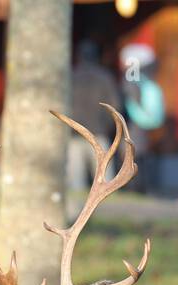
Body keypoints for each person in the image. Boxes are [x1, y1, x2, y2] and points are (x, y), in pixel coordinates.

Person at [68, 41, 123, 194]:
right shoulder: (105, 78)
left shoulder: (71, 77)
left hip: (75, 132)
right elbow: (116, 106)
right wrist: (107, 126)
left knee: (75, 183)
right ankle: (109, 211)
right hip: (98, 132)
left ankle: (80, 214)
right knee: (105, 182)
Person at [119, 43, 165, 193]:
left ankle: (134, 189)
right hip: (144, 131)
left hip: (134, 130)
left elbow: (129, 107)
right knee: (141, 160)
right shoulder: (146, 82)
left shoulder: (131, 82)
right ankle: (140, 188)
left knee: (132, 160)